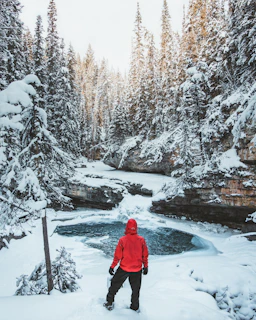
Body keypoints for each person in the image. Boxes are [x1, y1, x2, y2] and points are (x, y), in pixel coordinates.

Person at [103, 218, 149, 312]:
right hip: (137, 269)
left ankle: (109, 303)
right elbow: (145, 254)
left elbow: (117, 256)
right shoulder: (141, 240)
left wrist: (113, 266)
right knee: (135, 290)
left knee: (114, 285)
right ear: (136, 228)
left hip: (124, 268)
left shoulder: (122, 240)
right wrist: (146, 266)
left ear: (127, 227)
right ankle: (134, 307)